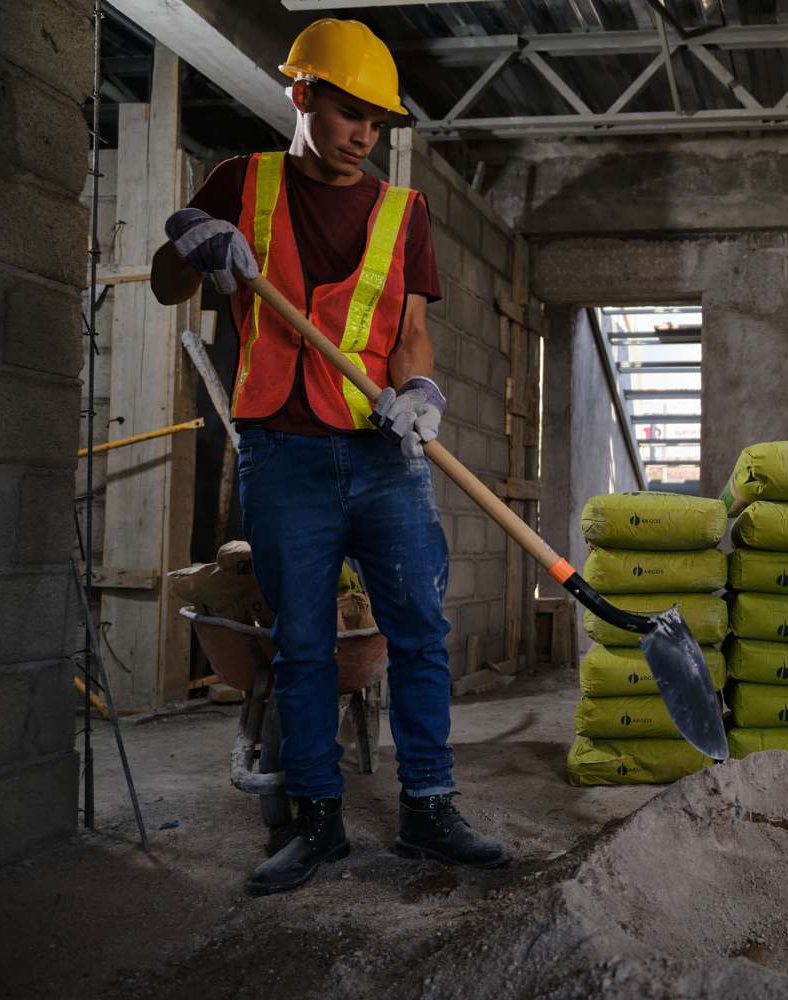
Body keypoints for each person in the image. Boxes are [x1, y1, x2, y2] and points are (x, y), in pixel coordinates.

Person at [150, 18, 511, 896]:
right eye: (350, 114)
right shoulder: (243, 182)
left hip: (385, 457)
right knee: (304, 645)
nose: (364, 137)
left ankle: (429, 804)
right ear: (302, 95)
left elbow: (412, 334)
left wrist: (422, 394)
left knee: (420, 635)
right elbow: (168, 282)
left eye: (377, 124)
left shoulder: (403, 211)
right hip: (283, 455)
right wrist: (190, 246)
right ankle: (318, 822)